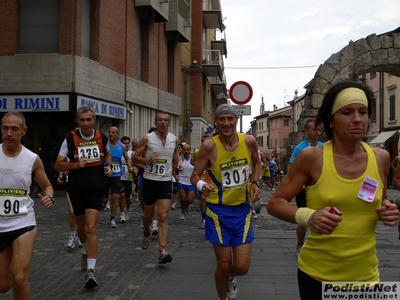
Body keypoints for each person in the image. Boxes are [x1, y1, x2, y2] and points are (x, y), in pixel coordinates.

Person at [267, 81, 399, 300]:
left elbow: (382, 202)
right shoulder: (312, 158)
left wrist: (388, 210)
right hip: (318, 275)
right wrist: (310, 216)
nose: (357, 119)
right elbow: (275, 203)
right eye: (347, 112)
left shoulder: (381, 158)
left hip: (366, 277)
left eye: (363, 112)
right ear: (331, 121)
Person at [190, 104, 262, 300]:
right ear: (216, 122)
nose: (226, 123)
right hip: (218, 211)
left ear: (236, 121)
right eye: (222, 119)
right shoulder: (209, 146)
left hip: (242, 211)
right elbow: (194, 175)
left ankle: (231, 277)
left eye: (230, 119)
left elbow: (257, 162)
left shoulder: (249, 141)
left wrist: (255, 182)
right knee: (223, 264)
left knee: (242, 267)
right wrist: (201, 185)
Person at [54, 105, 112, 288]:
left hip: (96, 188)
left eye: (89, 119)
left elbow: (108, 153)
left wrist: (109, 167)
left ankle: (91, 271)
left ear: (94, 120)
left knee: (90, 228)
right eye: (82, 120)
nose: (86, 123)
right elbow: (58, 165)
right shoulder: (70, 139)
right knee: (81, 227)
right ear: (77, 121)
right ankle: (85, 252)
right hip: (76, 189)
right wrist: (75, 166)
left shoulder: (102, 137)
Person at [0, 111, 54, 299]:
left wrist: (49, 197)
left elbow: (47, 185)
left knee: (20, 277)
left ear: (24, 131)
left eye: (14, 129)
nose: (9, 133)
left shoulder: (32, 159)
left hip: (23, 223)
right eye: (5, 128)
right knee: (3, 285)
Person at [133, 112, 181, 264]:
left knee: (163, 216)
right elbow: (134, 158)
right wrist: (147, 160)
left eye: (165, 120)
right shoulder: (148, 138)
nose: (162, 122)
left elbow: (175, 153)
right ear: (156, 122)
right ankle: (146, 230)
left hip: (165, 181)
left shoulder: (174, 138)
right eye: (160, 120)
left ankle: (162, 250)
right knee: (148, 214)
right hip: (149, 181)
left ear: (169, 123)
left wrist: (178, 162)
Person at [288, 119, 323, 258]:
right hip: (303, 189)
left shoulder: (322, 147)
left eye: (319, 130)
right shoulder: (299, 148)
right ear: (306, 131)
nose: (318, 132)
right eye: (314, 129)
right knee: (303, 219)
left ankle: (319, 245)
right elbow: (290, 168)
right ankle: (300, 244)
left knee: (321, 216)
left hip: (319, 188)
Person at [103, 127, 132, 227]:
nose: (110, 134)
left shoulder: (122, 146)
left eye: (113, 132)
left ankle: (112, 218)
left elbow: (127, 158)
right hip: (105, 173)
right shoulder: (105, 145)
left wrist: (129, 166)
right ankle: (103, 203)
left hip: (116, 173)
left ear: (117, 134)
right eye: (109, 132)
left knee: (115, 195)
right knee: (104, 198)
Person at [57, 169, 82, 248]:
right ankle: (73, 233)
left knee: (81, 211)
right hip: (70, 184)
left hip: (82, 183)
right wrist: (60, 175)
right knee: (72, 211)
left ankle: (81, 234)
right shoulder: (66, 156)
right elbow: (61, 164)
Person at [119, 136, 135, 222]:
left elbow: (135, 164)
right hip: (119, 177)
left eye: (127, 143)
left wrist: (133, 168)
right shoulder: (118, 152)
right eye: (124, 143)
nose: (126, 145)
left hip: (128, 177)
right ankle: (122, 214)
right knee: (122, 195)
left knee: (128, 198)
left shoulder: (132, 154)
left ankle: (127, 210)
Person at [177, 143, 195, 220]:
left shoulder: (193, 159)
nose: (186, 151)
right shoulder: (180, 159)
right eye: (184, 149)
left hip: (191, 181)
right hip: (181, 180)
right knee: (183, 198)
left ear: (190, 150)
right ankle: (183, 212)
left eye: (187, 150)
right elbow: (174, 167)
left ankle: (187, 205)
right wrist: (175, 175)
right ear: (182, 150)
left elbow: (198, 168)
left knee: (190, 200)